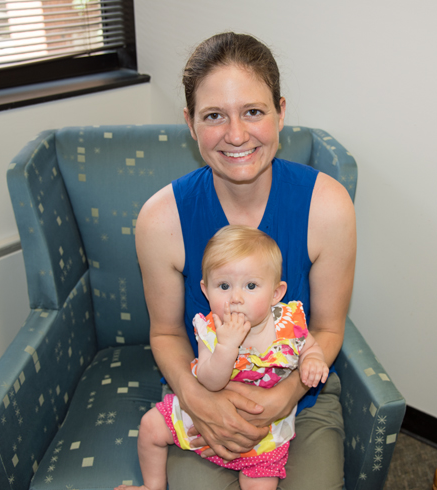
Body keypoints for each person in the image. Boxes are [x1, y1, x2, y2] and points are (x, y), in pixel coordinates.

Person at [135, 32, 356, 490]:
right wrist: (196, 397)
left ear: (280, 112)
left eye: (253, 111)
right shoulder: (160, 219)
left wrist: (285, 395)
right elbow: (166, 331)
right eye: (214, 116)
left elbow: (330, 329)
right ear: (190, 123)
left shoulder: (328, 206)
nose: (236, 135)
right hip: (204, 387)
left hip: (301, 394)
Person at [115, 225, 330, 490]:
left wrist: (312, 360)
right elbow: (209, 380)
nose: (236, 298)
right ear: (206, 290)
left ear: (276, 293)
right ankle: (152, 486)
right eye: (224, 286)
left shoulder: (288, 323)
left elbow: (310, 346)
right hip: (206, 408)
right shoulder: (211, 330)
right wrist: (226, 346)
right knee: (150, 427)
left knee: (261, 482)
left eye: (251, 286)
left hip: (264, 425)